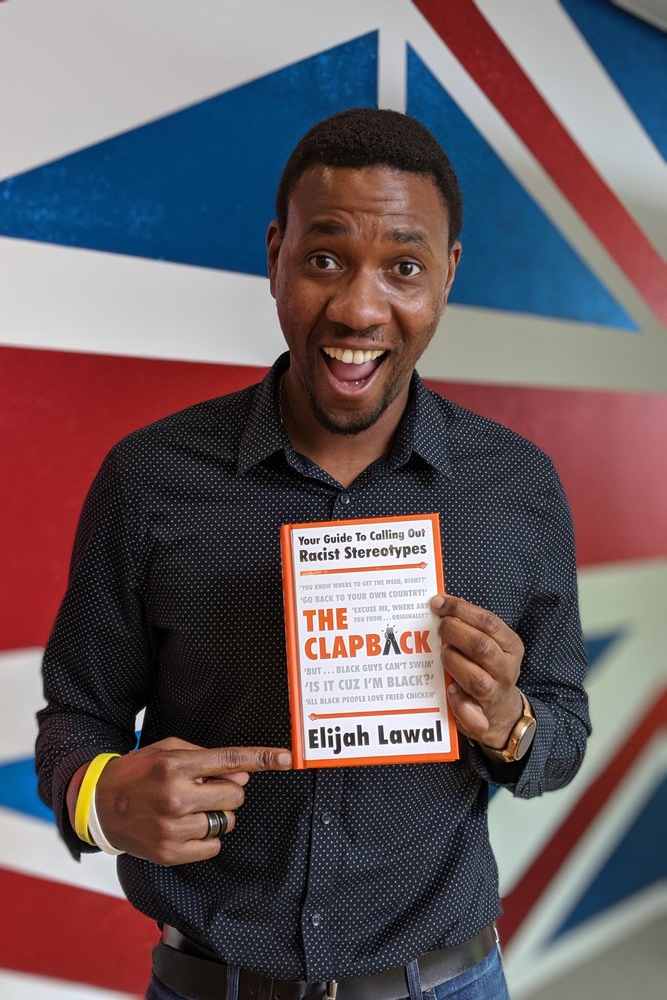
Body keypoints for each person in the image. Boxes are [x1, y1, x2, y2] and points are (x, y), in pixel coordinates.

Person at [36, 108, 590, 1000]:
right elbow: (77, 716)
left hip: (445, 983)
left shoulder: (515, 488)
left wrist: (514, 723)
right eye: (325, 258)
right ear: (274, 257)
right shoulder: (148, 479)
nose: (359, 308)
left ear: (447, 276)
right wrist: (101, 801)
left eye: (403, 267)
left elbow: (562, 726)